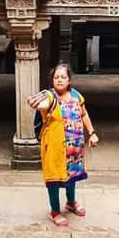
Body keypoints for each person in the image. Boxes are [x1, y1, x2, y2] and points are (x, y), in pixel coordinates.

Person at [28, 63, 98, 227]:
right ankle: (54, 211)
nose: (59, 80)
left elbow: (84, 114)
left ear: (69, 80)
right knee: (53, 177)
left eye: (63, 77)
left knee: (72, 174)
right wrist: (35, 104)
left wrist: (92, 133)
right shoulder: (50, 97)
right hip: (54, 147)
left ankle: (71, 201)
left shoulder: (76, 96)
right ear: (52, 80)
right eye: (56, 77)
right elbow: (42, 105)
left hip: (74, 146)